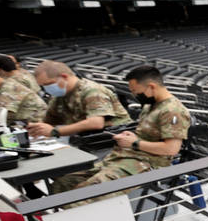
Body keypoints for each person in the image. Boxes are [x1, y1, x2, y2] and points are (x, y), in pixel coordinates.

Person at [51, 66, 191, 196]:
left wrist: (134, 143)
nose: (134, 95)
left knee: (83, 195)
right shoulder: (150, 105)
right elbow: (148, 135)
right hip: (123, 157)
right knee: (62, 184)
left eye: (136, 92)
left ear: (151, 87)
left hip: (147, 163)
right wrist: (132, 136)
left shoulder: (173, 110)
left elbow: (171, 149)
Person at [26, 60, 131, 140]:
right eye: (43, 86)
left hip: (115, 138)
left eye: (48, 84)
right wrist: (36, 128)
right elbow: (49, 121)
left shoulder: (92, 90)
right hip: (87, 139)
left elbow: (96, 123)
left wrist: (55, 131)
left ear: (64, 77)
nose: (46, 89)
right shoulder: (59, 96)